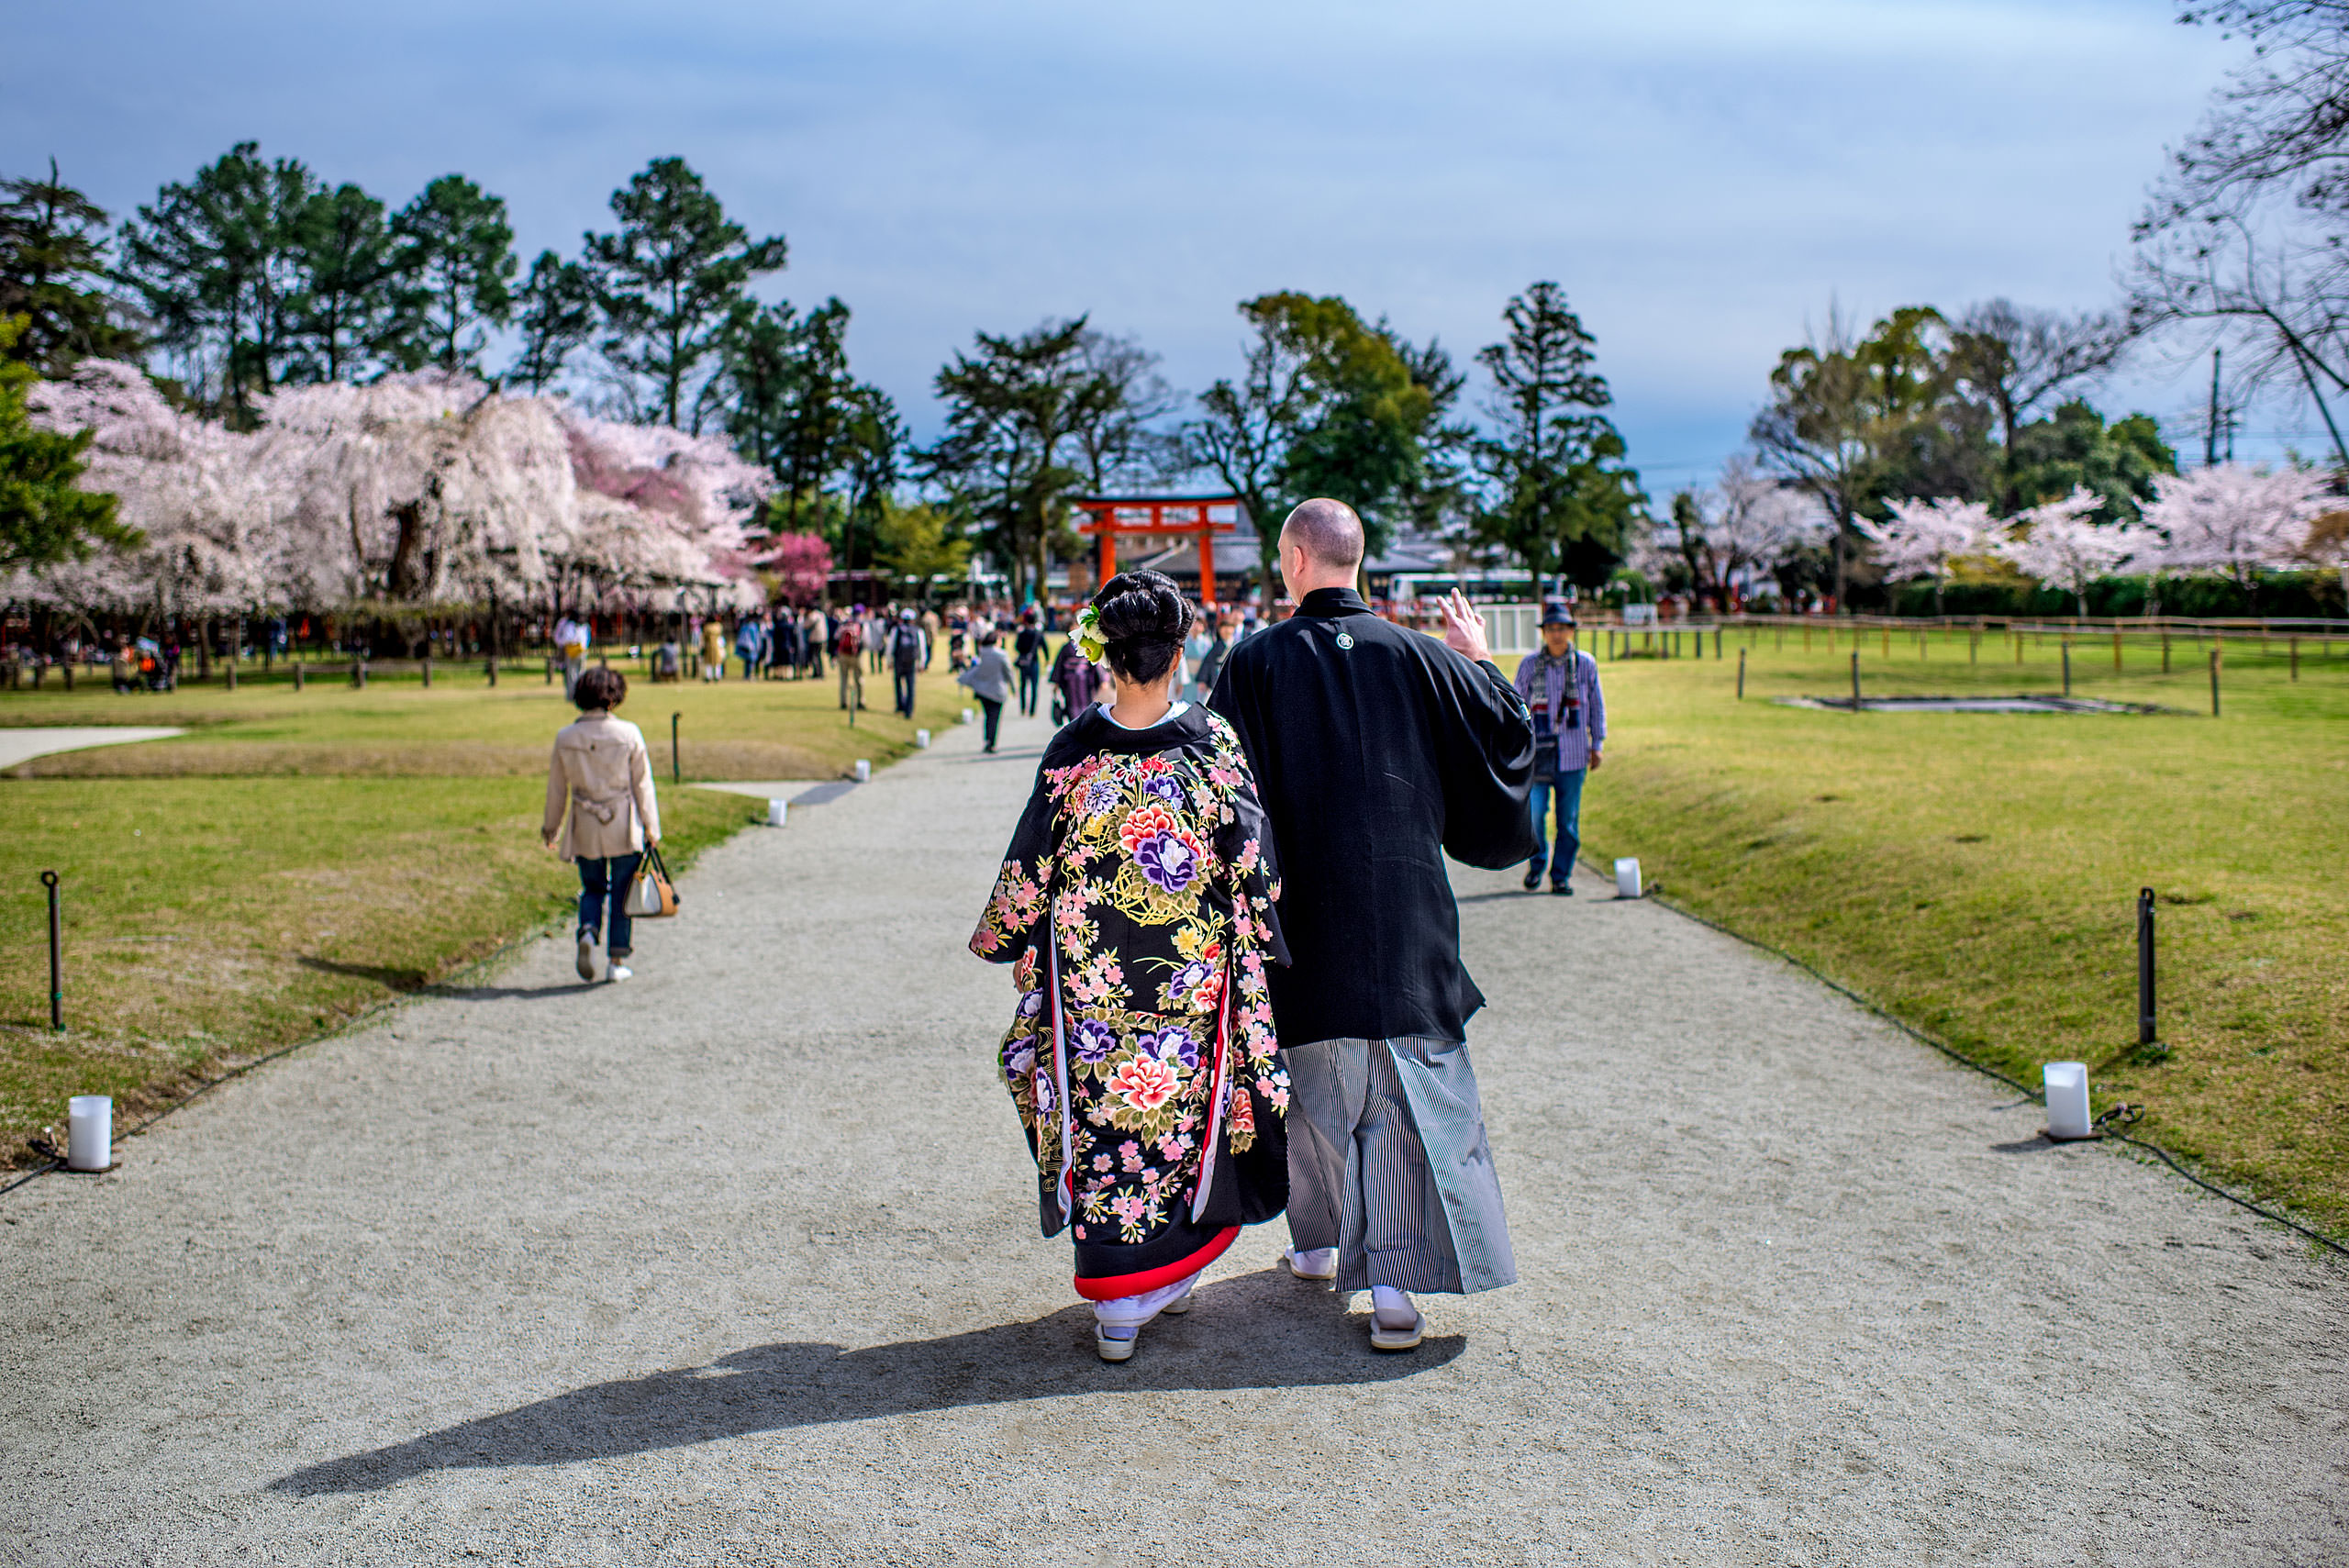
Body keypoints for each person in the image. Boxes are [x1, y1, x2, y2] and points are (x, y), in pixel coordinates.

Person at [1208, 497, 1536, 1353]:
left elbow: (1221, 794)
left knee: (1311, 1086)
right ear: (1361, 559)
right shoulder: (1421, 655)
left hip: (1301, 914)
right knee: (1398, 1103)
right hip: (1405, 914)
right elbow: (1505, 734)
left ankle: (1319, 1245)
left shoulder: (1255, 661)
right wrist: (1482, 661)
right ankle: (1391, 1292)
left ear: (1292, 560)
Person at [969, 569, 1289, 1362]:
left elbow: (1028, 865)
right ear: (1179, 655)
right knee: (1179, 1118)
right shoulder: (1210, 742)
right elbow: (1255, 863)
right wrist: (1261, 932)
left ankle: (1129, 1298)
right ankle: (1162, 1276)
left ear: (1104, 654)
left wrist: (1016, 941)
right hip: (1189, 979)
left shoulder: (1074, 747)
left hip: (1093, 983)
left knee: (1108, 1119)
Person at [542, 666, 662, 985]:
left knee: (593, 888)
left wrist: (551, 828)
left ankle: (588, 931)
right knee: (623, 894)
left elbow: (557, 789)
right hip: (622, 823)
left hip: (585, 823)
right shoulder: (628, 733)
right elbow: (643, 786)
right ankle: (616, 959)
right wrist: (652, 827)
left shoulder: (565, 737)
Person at [1514, 600, 1606, 895]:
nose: (1557, 634)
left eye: (1562, 628)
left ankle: (1561, 875)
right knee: (1534, 815)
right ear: (1544, 632)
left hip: (1574, 753)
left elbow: (1596, 706)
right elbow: (1517, 706)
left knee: (1567, 822)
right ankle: (1537, 863)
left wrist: (1598, 743)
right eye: (1552, 629)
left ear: (1571, 631)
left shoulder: (1585, 664)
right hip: (1538, 754)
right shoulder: (1529, 665)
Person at [956, 628, 1016, 752]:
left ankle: (988, 739)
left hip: (982, 690)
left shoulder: (982, 653)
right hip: (997, 690)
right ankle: (991, 743)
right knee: (995, 717)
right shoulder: (1001, 655)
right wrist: (1014, 687)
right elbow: (1008, 672)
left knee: (988, 716)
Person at [1050, 631, 1101, 725]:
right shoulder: (1066, 648)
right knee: (1072, 704)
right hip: (1070, 681)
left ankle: (1086, 723)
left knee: (1086, 703)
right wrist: (1056, 683)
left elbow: (1094, 664)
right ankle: (1074, 724)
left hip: (1084, 680)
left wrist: (1101, 679)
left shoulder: (1087, 646)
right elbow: (1059, 666)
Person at [890, 608, 925, 718]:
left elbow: (891, 646)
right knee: (911, 686)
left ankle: (900, 705)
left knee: (898, 684)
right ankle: (909, 710)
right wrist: (922, 663)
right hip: (911, 662)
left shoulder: (897, 630)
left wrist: (889, 660)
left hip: (899, 661)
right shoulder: (918, 631)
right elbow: (922, 648)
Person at [1013, 607, 1045, 717]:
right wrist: (1047, 659)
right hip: (1034, 662)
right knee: (1034, 688)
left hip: (1023, 663)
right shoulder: (1038, 634)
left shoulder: (1022, 633)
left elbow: (1017, 647)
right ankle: (1032, 711)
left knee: (1023, 686)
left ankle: (1023, 708)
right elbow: (1044, 647)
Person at [553, 612, 590, 699]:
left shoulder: (569, 625)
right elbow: (587, 639)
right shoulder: (585, 626)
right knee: (581, 672)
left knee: (571, 674)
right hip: (582, 651)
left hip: (571, 651)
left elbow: (566, 639)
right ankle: (581, 693)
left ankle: (572, 694)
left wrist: (561, 644)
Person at [836, 614, 865, 709]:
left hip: (843, 655)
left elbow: (836, 637)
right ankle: (860, 701)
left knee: (844, 679)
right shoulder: (859, 626)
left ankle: (843, 701)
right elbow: (865, 640)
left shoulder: (843, 626)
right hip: (855, 656)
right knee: (859, 679)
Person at [736, 614, 768, 682]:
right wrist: (758, 647)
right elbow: (756, 638)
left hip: (746, 646)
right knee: (751, 662)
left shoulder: (745, 626)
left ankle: (748, 675)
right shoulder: (752, 627)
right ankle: (749, 675)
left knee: (748, 662)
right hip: (751, 647)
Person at [700, 616, 729, 682]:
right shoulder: (719, 626)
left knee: (708, 662)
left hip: (708, 647)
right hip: (718, 647)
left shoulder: (707, 627)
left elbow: (704, 638)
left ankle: (708, 676)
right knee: (718, 662)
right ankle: (717, 676)